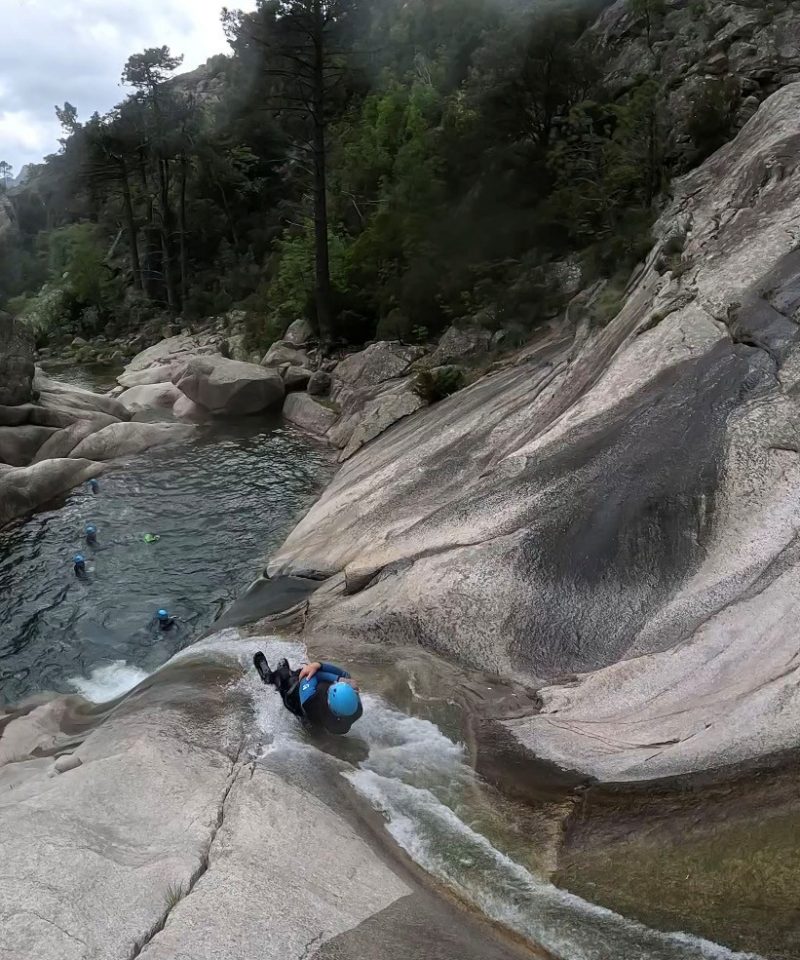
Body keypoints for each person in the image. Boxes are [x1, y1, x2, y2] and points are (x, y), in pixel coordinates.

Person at [253, 653, 363, 735]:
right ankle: (285, 671)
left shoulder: (311, 700)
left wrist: (333, 676)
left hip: (295, 700)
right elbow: (345, 674)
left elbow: (307, 676)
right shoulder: (356, 710)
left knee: (285, 680)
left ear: (329, 701)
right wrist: (343, 678)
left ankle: (269, 676)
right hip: (322, 715)